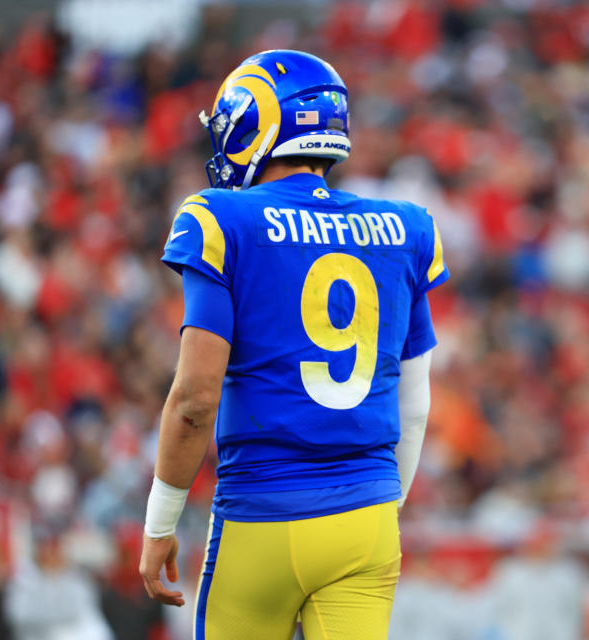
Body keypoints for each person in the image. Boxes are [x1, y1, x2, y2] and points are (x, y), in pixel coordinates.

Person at [137, 50, 448, 639]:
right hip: (368, 517)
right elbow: (415, 403)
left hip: (263, 513)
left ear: (257, 120)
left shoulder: (220, 218)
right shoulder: (406, 225)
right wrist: (382, 509)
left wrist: (159, 524)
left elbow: (195, 400)